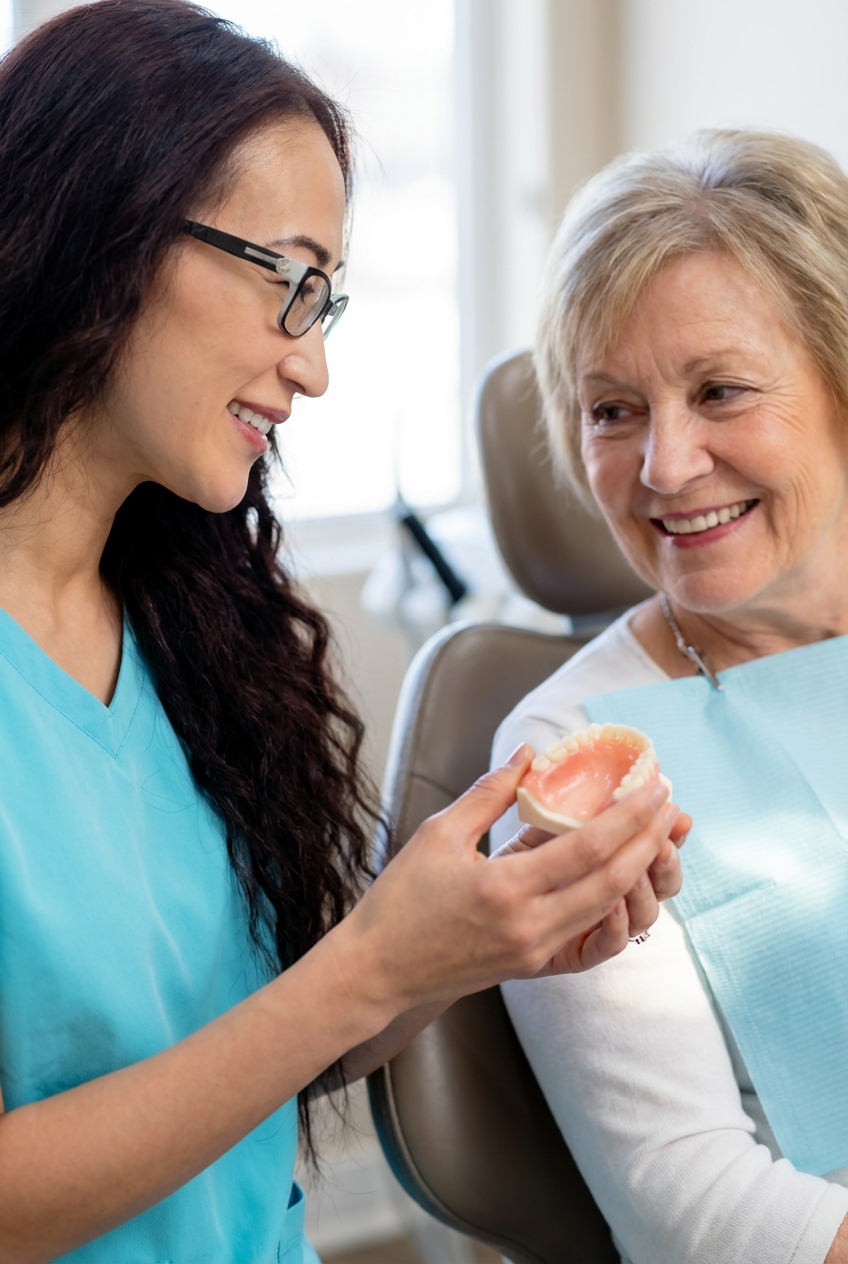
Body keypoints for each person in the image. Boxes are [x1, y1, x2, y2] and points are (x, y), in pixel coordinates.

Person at [0, 4, 688, 1261]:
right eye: (289, 283)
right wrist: (366, 966)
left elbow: (264, 1047)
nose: (311, 367)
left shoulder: (183, 626)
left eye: (330, 301)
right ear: (104, 229)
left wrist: (463, 938)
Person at [491, 129, 848, 1264]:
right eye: (611, 410)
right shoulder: (566, 757)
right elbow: (687, 1205)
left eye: (719, 390)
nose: (663, 464)